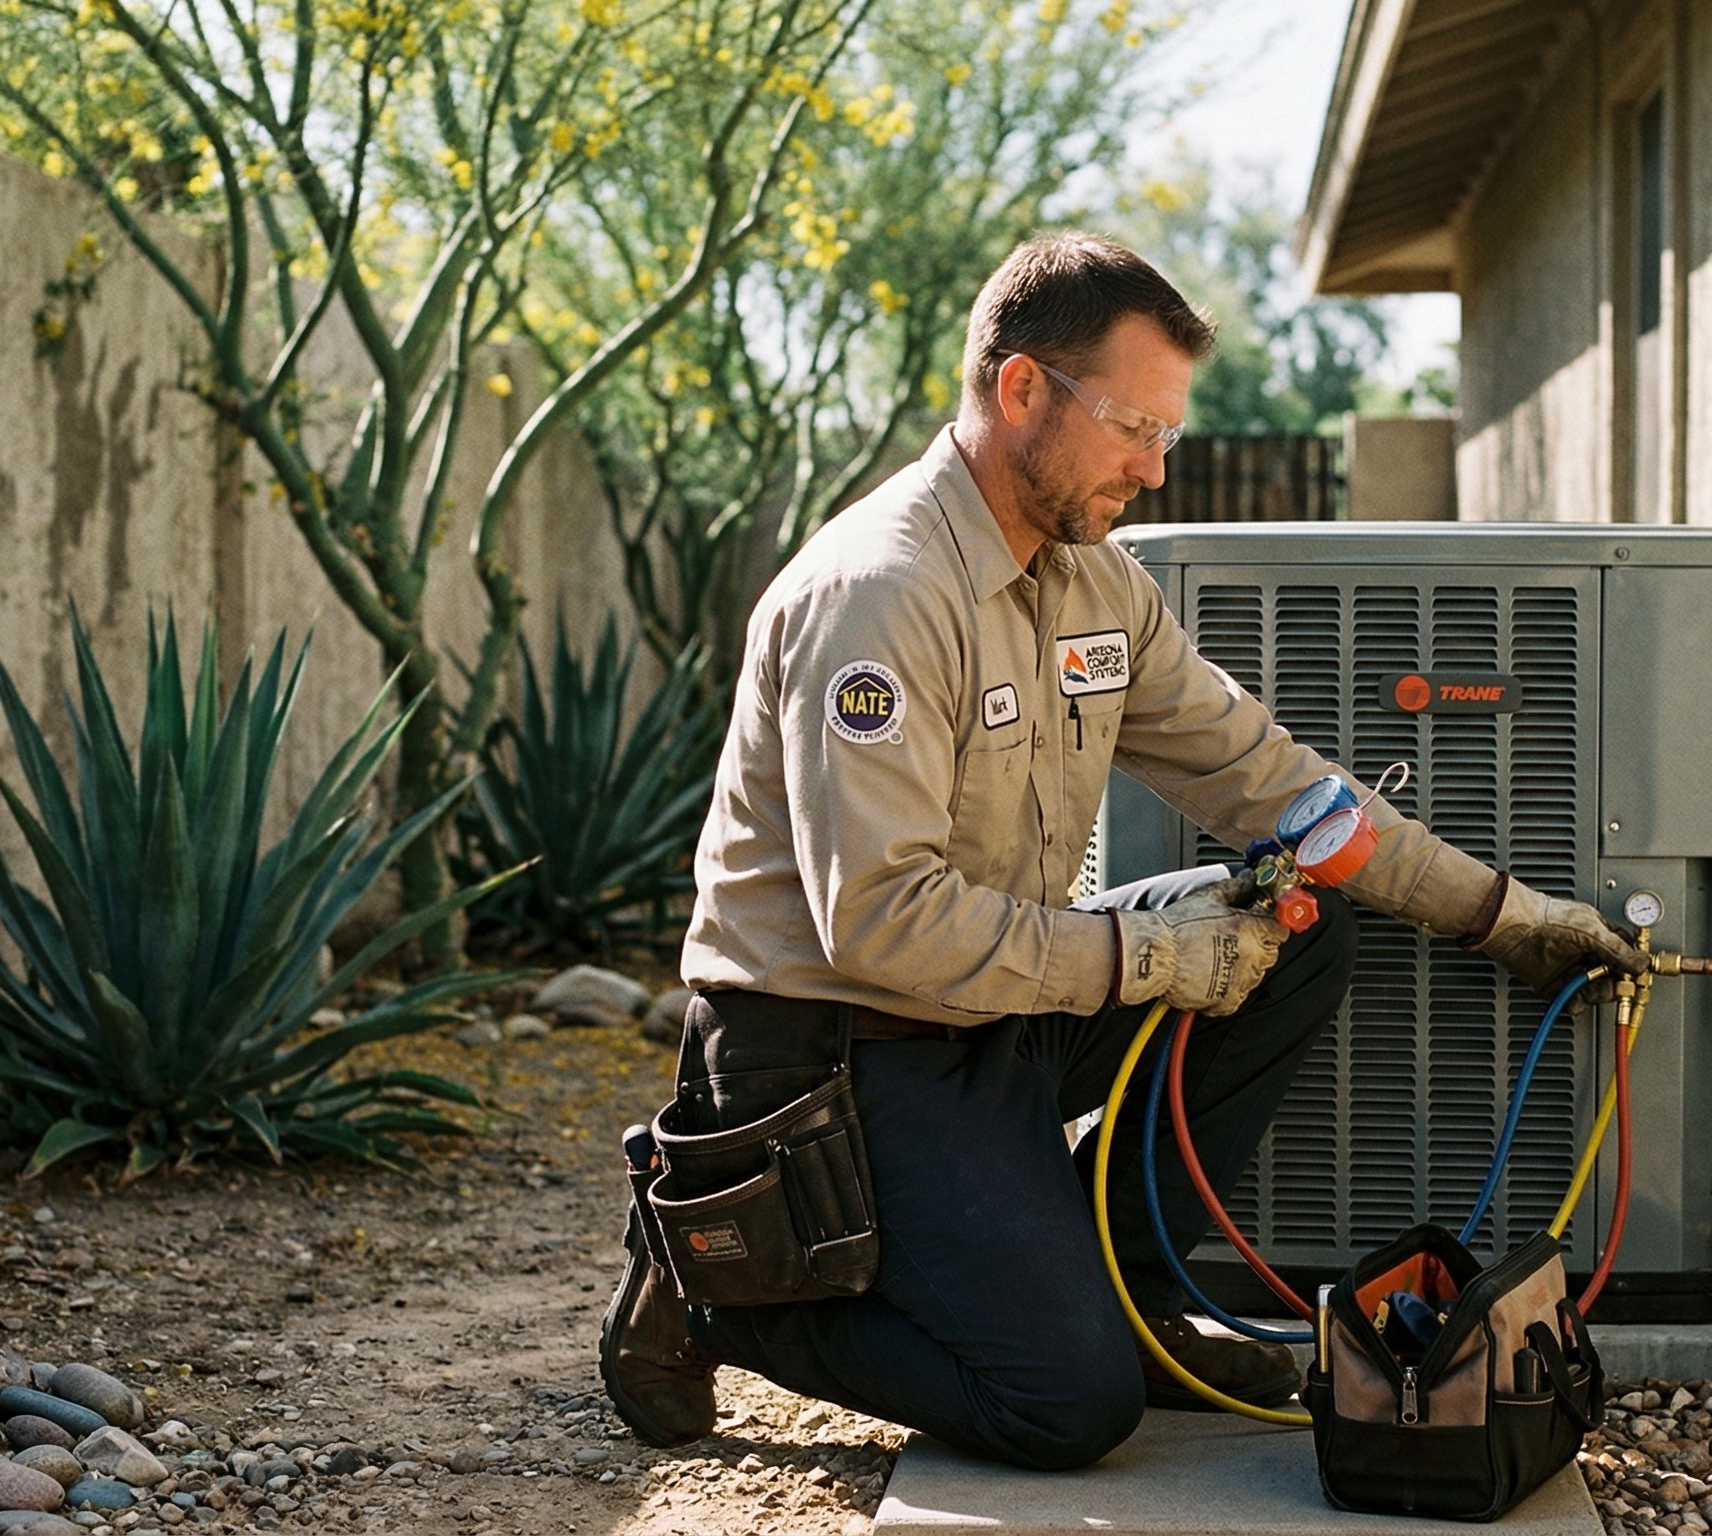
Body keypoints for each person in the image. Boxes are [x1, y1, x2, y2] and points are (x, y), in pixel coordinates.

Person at [599, 232, 1645, 1472]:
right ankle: (719, 1285)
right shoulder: (882, 594)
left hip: (996, 1004)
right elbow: (875, 924)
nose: (1154, 470)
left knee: (1298, 928)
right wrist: (1138, 955)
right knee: (1067, 1410)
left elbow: (1278, 787)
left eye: (1168, 436)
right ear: (1022, 390)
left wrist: (1503, 916)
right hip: (835, 1046)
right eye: (1133, 428)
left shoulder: (1096, 586)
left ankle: (1127, 1297)